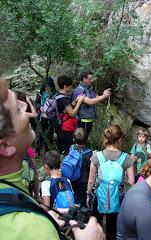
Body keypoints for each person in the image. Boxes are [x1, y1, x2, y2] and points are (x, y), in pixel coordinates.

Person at [0, 78, 105, 240]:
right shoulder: (35, 231)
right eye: (18, 110)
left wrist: (45, 214)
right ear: (5, 147)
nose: (25, 107)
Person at [87, 125, 135, 240]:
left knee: (95, 226)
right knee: (113, 228)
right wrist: (119, 178)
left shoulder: (97, 156)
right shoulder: (127, 158)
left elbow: (91, 180)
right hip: (117, 196)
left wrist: (88, 194)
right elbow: (132, 182)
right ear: (120, 139)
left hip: (98, 195)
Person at [56, 76, 85, 153]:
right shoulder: (64, 99)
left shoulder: (57, 96)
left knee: (64, 149)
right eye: (70, 86)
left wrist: (75, 101)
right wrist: (79, 102)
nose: (71, 88)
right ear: (65, 86)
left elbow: (66, 108)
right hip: (66, 128)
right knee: (70, 150)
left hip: (59, 126)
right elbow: (72, 113)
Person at [67, 127, 93, 206]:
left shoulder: (71, 148)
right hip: (82, 181)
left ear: (74, 139)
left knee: (73, 196)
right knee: (81, 200)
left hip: (71, 177)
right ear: (87, 139)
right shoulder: (89, 153)